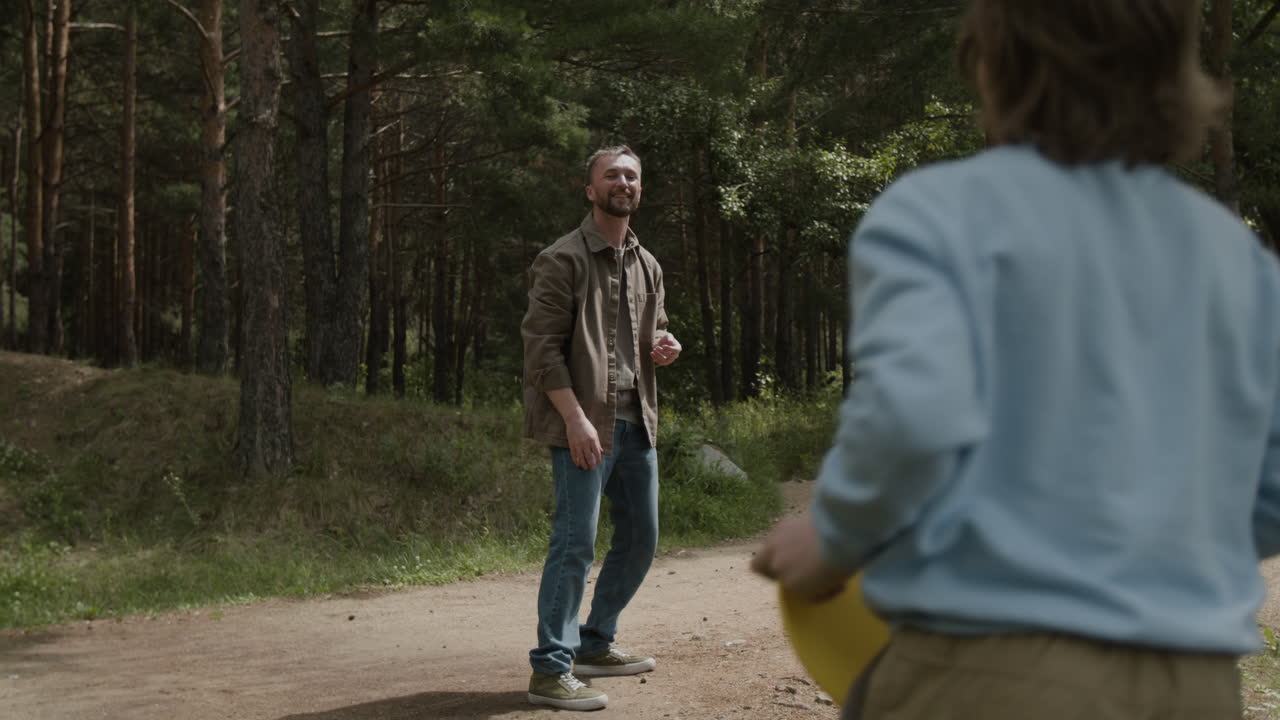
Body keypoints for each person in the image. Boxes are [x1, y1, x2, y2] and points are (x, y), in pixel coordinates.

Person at [752, 1, 1280, 718]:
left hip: (993, 671)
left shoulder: (938, 215)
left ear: (995, 56)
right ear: (1175, 65)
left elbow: (913, 420)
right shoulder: (1237, 257)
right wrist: (1156, 556)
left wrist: (834, 541)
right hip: (1196, 683)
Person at [521, 144, 682, 711]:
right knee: (574, 544)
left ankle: (594, 643)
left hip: (637, 423)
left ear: (640, 188)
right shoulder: (561, 259)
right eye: (611, 174)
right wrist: (574, 421)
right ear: (590, 190)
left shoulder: (647, 263)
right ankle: (551, 668)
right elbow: (541, 352)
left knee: (641, 539)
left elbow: (654, 328)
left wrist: (664, 344)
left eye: (631, 175)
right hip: (584, 424)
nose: (623, 182)